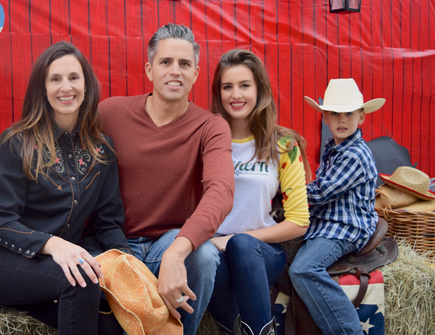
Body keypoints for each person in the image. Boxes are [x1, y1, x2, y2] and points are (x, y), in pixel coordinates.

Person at [0, 41, 131, 335]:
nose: (66, 87)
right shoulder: (17, 142)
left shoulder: (102, 150)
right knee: (80, 278)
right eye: (55, 79)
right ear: (42, 88)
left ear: (87, 85)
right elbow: (0, 222)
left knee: (115, 327)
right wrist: (56, 245)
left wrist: (130, 267)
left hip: (54, 271)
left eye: (73, 77)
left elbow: (108, 223)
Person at [98, 23, 234, 335]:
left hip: (167, 243)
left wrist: (177, 250)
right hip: (115, 243)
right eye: (166, 62)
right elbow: (60, 154)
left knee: (204, 255)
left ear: (197, 73)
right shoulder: (110, 112)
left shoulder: (210, 127)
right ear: (149, 69)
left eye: (184, 64)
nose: (175, 71)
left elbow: (221, 191)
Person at [205, 49, 310, 335]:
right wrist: (217, 243)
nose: (235, 94)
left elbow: (299, 222)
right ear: (218, 92)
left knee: (241, 246)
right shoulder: (204, 140)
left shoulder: (283, 145)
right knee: (207, 259)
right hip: (213, 250)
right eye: (227, 86)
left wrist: (235, 239)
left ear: (259, 90)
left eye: (244, 85)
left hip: (262, 252)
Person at [289, 78, 385, 335]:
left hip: (345, 226)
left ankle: (348, 330)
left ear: (361, 117)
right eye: (335, 114)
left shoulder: (355, 154)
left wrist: (284, 187)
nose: (342, 120)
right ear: (325, 119)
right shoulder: (334, 148)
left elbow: (320, 192)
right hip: (327, 221)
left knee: (304, 268)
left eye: (349, 114)